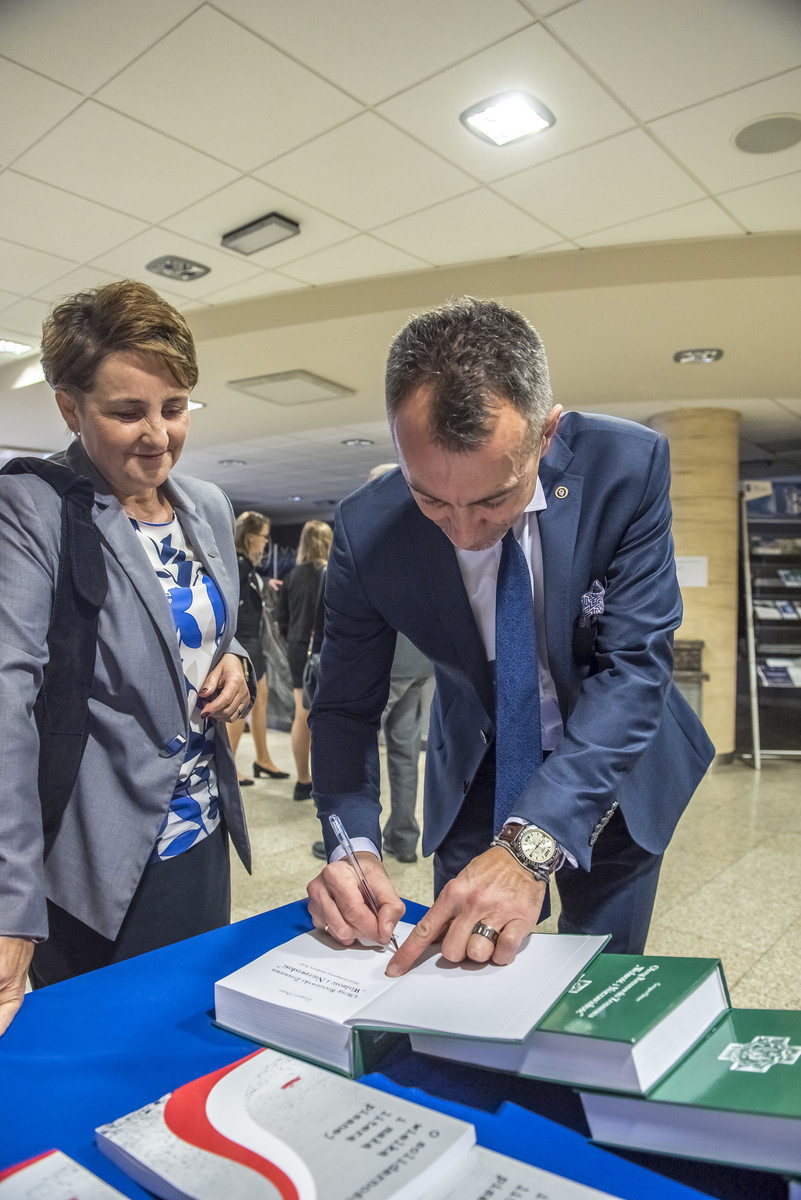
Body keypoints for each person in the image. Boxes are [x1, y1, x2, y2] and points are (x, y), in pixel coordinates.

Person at [306, 296, 715, 977]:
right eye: (430, 499)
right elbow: (345, 707)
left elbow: (633, 669)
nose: (465, 533)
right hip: (479, 761)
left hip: (615, 761)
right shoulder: (365, 531)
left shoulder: (625, 468)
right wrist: (353, 847)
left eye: (493, 499)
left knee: (596, 979)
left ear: (546, 433)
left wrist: (532, 846)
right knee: (459, 975)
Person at [0, 279, 254, 1036]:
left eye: (174, 407)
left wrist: (237, 662)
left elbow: (203, 629)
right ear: (69, 408)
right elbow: (8, 706)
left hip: (201, 832)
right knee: (108, 1052)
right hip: (97, 856)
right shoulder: (32, 508)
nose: (158, 435)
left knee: (193, 1033)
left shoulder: (206, 505)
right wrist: (10, 904)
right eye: (126, 411)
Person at [227, 511, 289, 785]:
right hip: (243, 643)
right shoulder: (238, 566)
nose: (265, 542)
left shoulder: (247, 568)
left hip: (254, 642)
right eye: (263, 537)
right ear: (250, 537)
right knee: (243, 705)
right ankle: (230, 764)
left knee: (260, 700)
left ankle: (263, 758)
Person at [277, 519, 333, 801]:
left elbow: (282, 620)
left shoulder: (291, 576)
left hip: (297, 648)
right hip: (326, 649)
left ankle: (303, 780)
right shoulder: (331, 574)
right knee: (327, 717)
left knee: (302, 713)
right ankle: (327, 781)